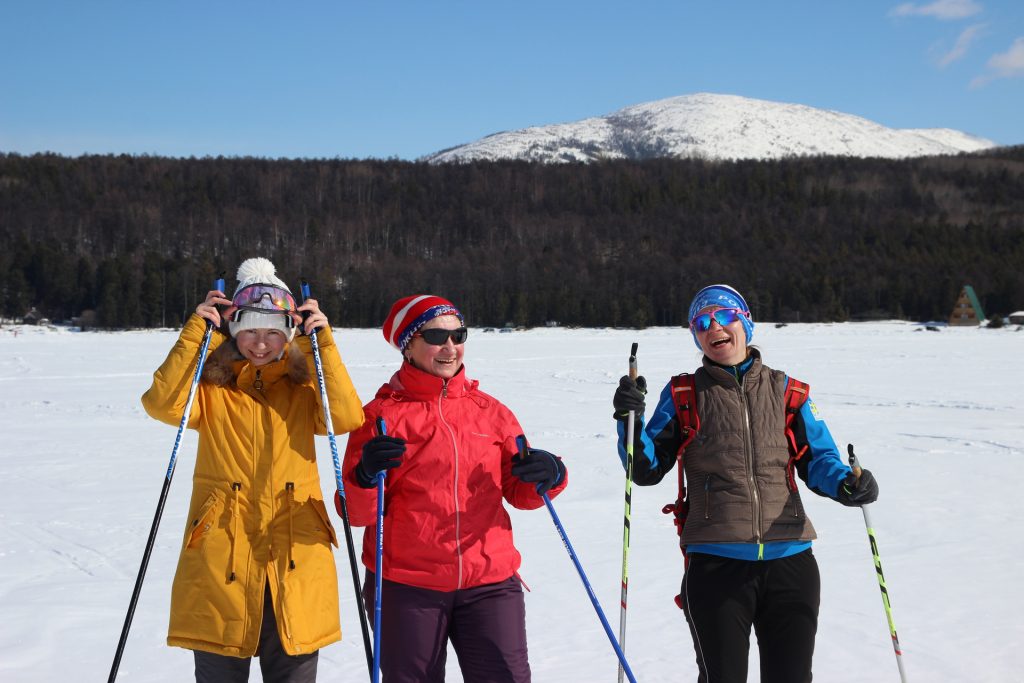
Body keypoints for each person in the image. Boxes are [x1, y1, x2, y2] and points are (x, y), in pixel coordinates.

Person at [612, 284, 879, 683]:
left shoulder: (790, 391)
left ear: (745, 322)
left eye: (724, 316)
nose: (713, 327)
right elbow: (646, 468)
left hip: (791, 561)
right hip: (716, 563)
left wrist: (847, 483)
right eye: (701, 322)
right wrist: (628, 421)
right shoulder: (684, 393)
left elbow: (819, 459)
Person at [141, 257, 364, 682]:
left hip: (295, 562)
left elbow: (346, 417)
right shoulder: (212, 390)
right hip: (221, 565)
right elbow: (162, 403)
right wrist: (198, 332)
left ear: (288, 335)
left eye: (272, 333)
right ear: (233, 331)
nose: (260, 344)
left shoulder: (303, 391)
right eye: (249, 332)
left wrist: (323, 346)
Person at [340, 294, 568, 683]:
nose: (450, 347)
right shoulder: (379, 417)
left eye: (458, 335)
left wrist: (550, 474)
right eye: (434, 336)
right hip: (408, 586)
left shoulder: (490, 412)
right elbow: (358, 514)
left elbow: (521, 493)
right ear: (408, 344)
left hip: (489, 582)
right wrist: (364, 476)